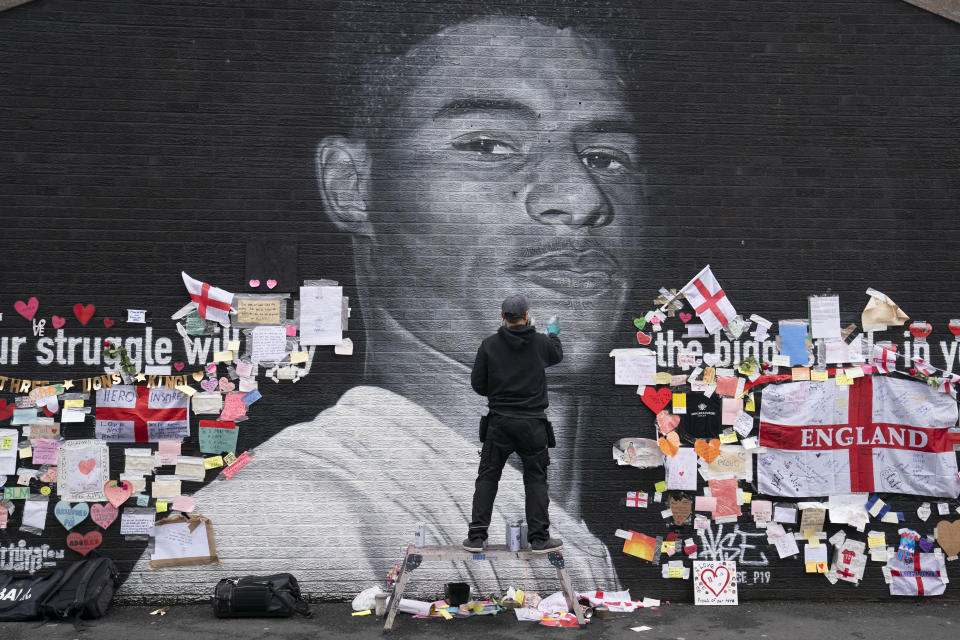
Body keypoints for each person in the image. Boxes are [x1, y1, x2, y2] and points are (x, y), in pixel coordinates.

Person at [122, 13, 643, 600]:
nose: (582, 196)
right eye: (488, 145)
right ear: (352, 187)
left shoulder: (554, 522)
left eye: (606, 155)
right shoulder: (288, 525)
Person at [465, 294, 564, 553]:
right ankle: (540, 539)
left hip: (499, 423)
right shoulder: (541, 343)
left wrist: (498, 392)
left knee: (488, 477)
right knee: (536, 480)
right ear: (527, 315)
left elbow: (477, 384)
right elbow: (557, 355)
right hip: (533, 425)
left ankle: (476, 537)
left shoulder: (489, 345)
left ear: (502, 316)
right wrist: (553, 333)